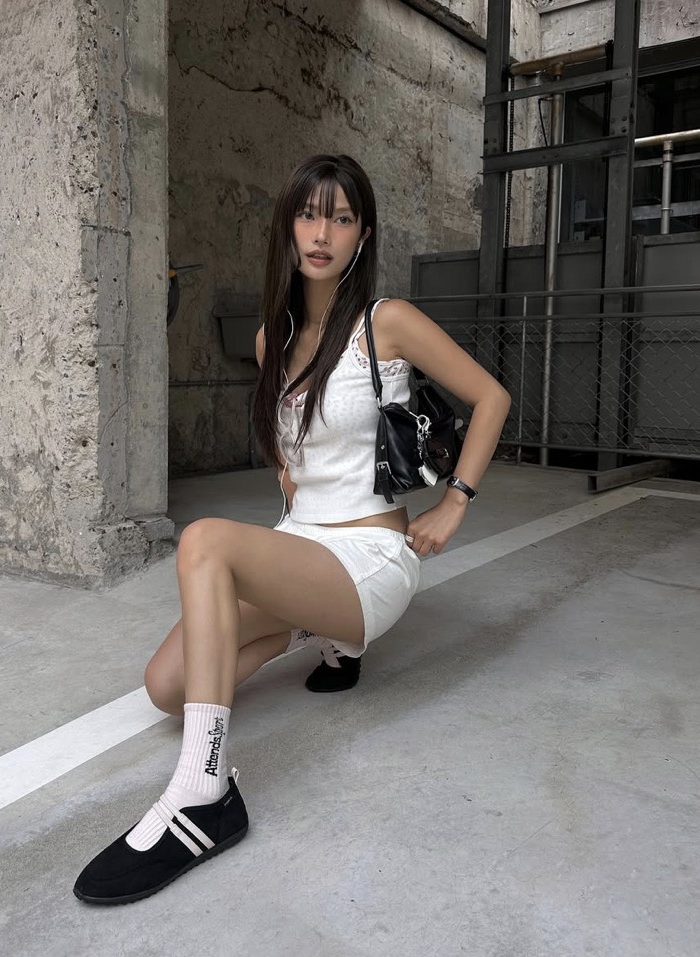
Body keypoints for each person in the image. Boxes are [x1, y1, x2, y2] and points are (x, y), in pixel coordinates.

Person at [73, 154, 511, 905]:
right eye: (309, 214)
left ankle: (203, 792)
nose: (322, 233)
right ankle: (314, 631)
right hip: (303, 547)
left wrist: (455, 500)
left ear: (362, 234)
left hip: (369, 556)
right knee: (166, 687)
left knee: (204, 540)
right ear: (289, 227)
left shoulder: (386, 323)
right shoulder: (269, 341)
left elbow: (491, 396)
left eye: (341, 218)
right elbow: (290, 460)